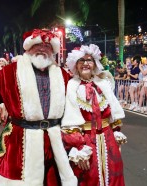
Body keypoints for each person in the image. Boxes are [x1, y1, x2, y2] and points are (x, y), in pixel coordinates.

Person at [0, 29, 77, 186]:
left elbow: (77, 104)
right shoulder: (10, 72)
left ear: (53, 51)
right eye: (37, 45)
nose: (42, 48)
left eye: (47, 46)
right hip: (19, 141)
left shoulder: (63, 75)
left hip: (56, 142)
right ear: (28, 48)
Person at [61, 44, 126, 186]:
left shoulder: (103, 83)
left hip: (108, 140)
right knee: (89, 178)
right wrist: (78, 148)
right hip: (86, 142)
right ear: (75, 65)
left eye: (89, 60)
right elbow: (70, 119)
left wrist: (116, 135)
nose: (85, 64)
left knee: (114, 175)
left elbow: (113, 113)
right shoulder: (72, 85)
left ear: (95, 63)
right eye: (81, 61)